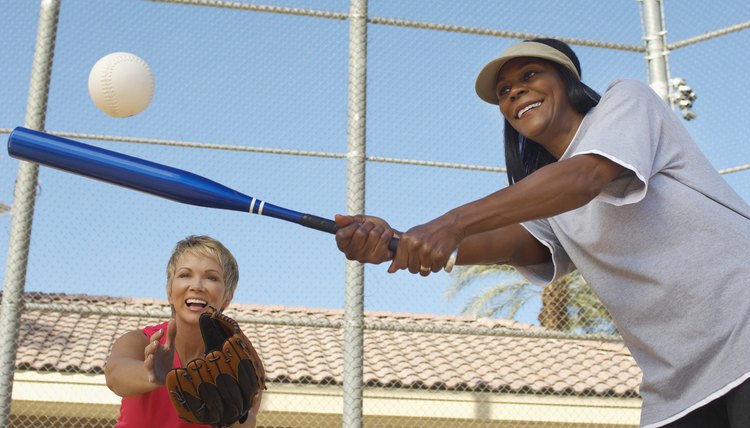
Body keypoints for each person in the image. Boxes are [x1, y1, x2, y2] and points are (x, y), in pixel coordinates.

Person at [334, 38, 750, 428]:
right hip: (679, 385)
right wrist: (394, 244)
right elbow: (505, 243)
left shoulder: (625, 101)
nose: (514, 92)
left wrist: (450, 222)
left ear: (567, 80)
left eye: (530, 75)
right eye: (503, 91)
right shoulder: (545, 199)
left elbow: (586, 175)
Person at [105, 235, 262, 427]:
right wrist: (153, 375)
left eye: (211, 277)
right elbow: (114, 375)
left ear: (227, 297)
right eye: (185, 275)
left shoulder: (240, 360)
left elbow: (248, 421)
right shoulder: (143, 340)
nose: (196, 286)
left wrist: (234, 415)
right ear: (170, 291)